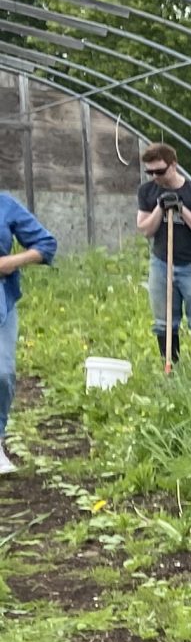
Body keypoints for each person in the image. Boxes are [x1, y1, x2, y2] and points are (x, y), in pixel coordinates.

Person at [136, 144, 191, 374]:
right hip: (162, 265)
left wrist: (182, 210)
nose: (155, 177)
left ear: (173, 165)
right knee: (164, 322)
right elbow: (145, 229)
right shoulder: (147, 192)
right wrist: (160, 208)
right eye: (150, 172)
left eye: (160, 171)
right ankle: (171, 371)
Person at [0, 186, 58, 476]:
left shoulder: (5, 205)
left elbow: (46, 244)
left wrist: (11, 262)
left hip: (1, 304)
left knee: (2, 373)